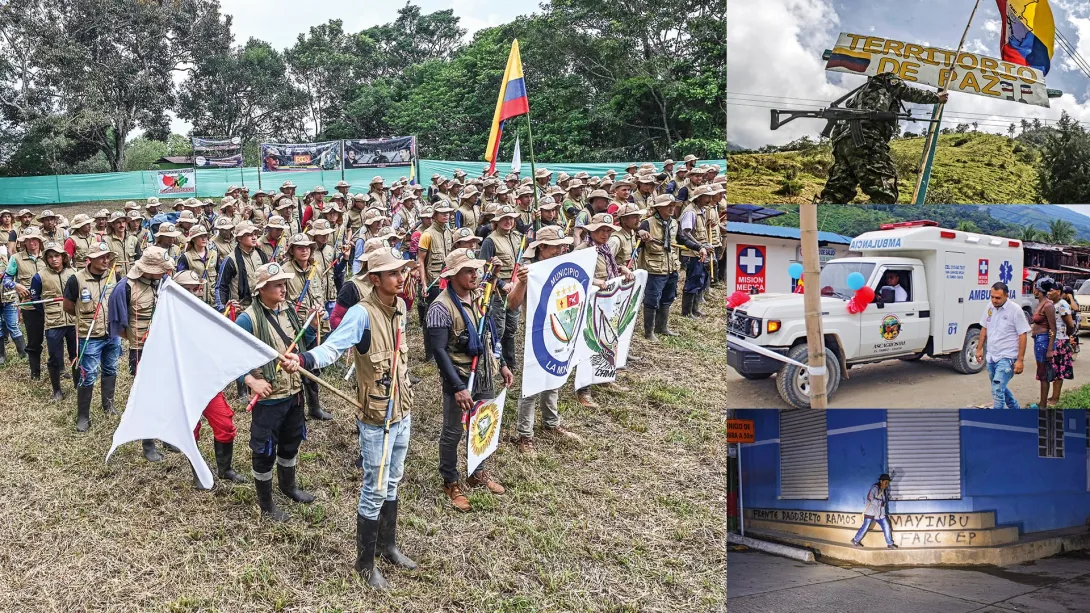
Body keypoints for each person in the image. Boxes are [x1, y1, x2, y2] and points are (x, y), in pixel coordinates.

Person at [281, 247, 419, 588]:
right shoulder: (361, 314)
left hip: (402, 410)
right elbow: (332, 347)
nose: (401, 278)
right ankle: (365, 564)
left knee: (394, 479)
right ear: (375, 279)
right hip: (376, 417)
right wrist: (303, 359)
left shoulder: (399, 307)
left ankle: (388, 546)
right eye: (393, 273)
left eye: (401, 272)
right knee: (374, 487)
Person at [427, 248, 512, 512]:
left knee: (483, 425)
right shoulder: (440, 308)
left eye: (475, 270)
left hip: (485, 370)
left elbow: (490, 332)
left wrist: (503, 365)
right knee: (453, 431)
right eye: (468, 271)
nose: (474, 275)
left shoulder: (479, 297)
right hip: (461, 377)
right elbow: (439, 352)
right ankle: (450, 480)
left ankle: (478, 472)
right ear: (453, 275)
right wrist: (458, 388)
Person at [235, 262, 318, 521]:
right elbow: (231, 358)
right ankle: (267, 503)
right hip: (269, 398)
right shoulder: (247, 318)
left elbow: (305, 343)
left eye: (284, 284)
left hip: (293, 393)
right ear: (261, 289)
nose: (283, 289)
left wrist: (315, 326)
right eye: (277, 285)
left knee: (291, 441)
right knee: (264, 450)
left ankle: (288, 486)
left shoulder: (289, 311)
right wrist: (251, 381)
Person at [505, 226, 582, 454]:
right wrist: (523, 282)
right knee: (532, 384)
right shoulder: (530, 271)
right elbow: (512, 304)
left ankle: (551, 421)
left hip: (560, 329)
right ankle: (524, 434)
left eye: (562, 246)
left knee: (555, 376)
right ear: (541, 247)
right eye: (555, 246)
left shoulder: (563, 265)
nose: (560, 249)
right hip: (537, 333)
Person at [819, 72, 948, 204]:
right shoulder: (886, 78)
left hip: (843, 143)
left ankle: (816, 221)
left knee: (835, 194)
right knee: (886, 194)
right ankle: (858, 222)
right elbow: (906, 91)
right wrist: (936, 97)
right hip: (866, 139)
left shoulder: (858, 96)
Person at [107, 246, 176, 461]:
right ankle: (148, 444)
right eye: (161, 270)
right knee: (148, 395)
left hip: (164, 346)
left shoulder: (163, 282)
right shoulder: (124, 288)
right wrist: (138, 338)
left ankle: (166, 434)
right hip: (141, 349)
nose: (165, 273)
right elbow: (117, 325)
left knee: (166, 391)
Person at [62, 240, 118, 432]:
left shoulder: (113, 275)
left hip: (112, 332)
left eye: (107, 257)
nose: (105, 260)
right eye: (100, 257)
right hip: (90, 335)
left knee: (110, 368)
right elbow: (68, 306)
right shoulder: (76, 280)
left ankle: (108, 405)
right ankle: (83, 416)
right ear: (90, 260)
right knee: (88, 374)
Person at [282, 233, 332, 421]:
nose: (304, 250)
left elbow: (321, 294)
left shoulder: (315, 268)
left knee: (312, 367)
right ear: (292, 250)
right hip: (296, 328)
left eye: (307, 247)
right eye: (299, 247)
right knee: (296, 369)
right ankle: (296, 411)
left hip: (316, 324)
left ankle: (314, 407)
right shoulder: (285, 270)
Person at [29, 241, 77, 401]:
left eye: (57, 256)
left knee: (76, 354)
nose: (54, 259)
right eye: (50, 257)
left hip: (73, 322)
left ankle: (78, 384)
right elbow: (35, 299)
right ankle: (57, 390)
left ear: (63, 257)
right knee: (54, 357)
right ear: (46, 259)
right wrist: (49, 312)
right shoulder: (39, 276)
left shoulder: (73, 273)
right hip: (53, 323)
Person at [479, 205, 523, 371]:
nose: (509, 221)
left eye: (511, 218)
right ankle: (495, 361)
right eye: (505, 219)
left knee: (512, 326)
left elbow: (521, 261)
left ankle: (510, 362)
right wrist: (502, 284)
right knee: (498, 327)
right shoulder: (490, 241)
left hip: (515, 287)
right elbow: (484, 269)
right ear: (497, 221)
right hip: (497, 290)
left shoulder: (517, 237)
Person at [975, 282, 1031, 409]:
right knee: (999, 387)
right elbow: (984, 328)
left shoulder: (1015, 310)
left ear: (1007, 295)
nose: (994, 300)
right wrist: (979, 349)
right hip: (992, 356)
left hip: (1007, 357)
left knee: (997, 391)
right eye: (992, 297)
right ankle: (1015, 410)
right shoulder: (989, 307)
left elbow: (1022, 335)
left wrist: (1020, 360)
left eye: (998, 298)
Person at [9, 227, 48, 379]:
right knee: (34, 339)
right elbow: (6, 278)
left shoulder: (49, 256)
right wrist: (16, 286)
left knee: (55, 338)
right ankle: (35, 372)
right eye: (29, 240)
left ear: (39, 240)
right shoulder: (16, 258)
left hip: (50, 305)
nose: (32, 243)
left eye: (35, 239)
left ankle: (59, 369)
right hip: (29, 305)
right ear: (24, 242)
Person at [1029, 277, 1058, 409]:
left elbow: (1053, 329)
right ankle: (1042, 403)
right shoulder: (1041, 304)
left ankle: (1043, 405)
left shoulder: (1048, 305)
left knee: (1043, 373)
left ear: (1038, 291)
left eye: (1035, 288)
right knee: (1041, 373)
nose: (1033, 290)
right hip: (1039, 340)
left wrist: (1050, 348)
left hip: (1044, 341)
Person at [1047, 283, 1076, 407]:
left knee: (1059, 371)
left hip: (1061, 341)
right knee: (1054, 370)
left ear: (1058, 292)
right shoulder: (1053, 304)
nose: (1048, 292)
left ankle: (1056, 397)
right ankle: (1053, 395)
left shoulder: (1062, 305)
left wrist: (1067, 336)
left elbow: (1070, 324)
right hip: (1054, 340)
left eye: (1051, 290)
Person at [850, 474, 898, 549]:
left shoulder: (883, 490)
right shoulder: (874, 488)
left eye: (887, 482)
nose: (887, 484)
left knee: (886, 526)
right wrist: (880, 503)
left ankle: (890, 543)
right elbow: (870, 498)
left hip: (880, 514)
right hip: (871, 512)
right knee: (865, 527)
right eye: (885, 482)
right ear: (881, 481)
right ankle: (855, 540)